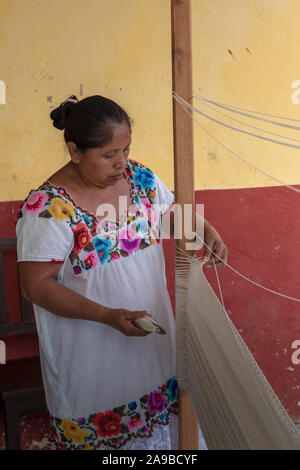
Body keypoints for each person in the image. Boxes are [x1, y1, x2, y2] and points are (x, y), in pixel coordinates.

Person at [16, 94, 228, 450]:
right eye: (109, 154)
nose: (121, 162)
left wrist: (203, 229)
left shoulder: (139, 178)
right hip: (92, 363)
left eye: (126, 150)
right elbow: (36, 286)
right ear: (74, 150)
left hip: (152, 347)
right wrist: (108, 315)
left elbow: (168, 215)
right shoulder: (48, 208)